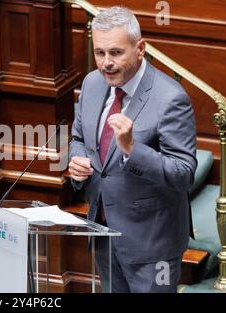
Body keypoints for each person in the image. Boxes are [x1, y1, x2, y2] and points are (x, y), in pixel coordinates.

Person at [68, 6, 197, 293]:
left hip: (152, 245)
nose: (106, 63)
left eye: (116, 53)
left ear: (140, 48)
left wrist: (132, 149)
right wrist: (76, 160)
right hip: (103, 230)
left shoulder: (170, 99)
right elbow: (79, 138)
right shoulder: (92, 83)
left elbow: (184, 174)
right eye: (100, 53)